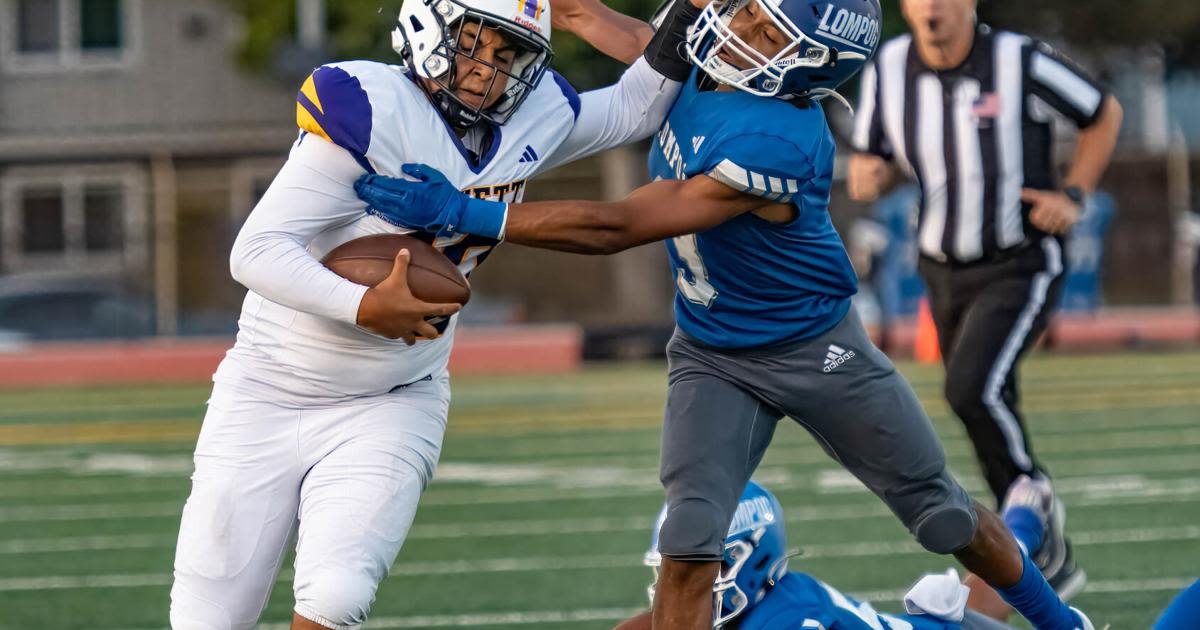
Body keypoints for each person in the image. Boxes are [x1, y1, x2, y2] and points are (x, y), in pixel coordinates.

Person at [352, 0, 1094, 628]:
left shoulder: (779, 136)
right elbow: (637, 44)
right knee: (688, 542)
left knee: (944, 516)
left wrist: (466, 212)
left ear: (808, 62)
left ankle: (1062, 618)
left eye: (767, 31)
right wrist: (561, 9)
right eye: (748, 10)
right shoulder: (715, 65)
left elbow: (622, 226)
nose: (738, 24)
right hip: (712, 352)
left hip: (814, 349)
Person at [167, 0, 706, 626]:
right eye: (477, 44)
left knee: (338, 594)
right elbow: (255, 251)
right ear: (430, 28)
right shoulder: (373, 107)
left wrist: (691, 11)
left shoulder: (534, 117)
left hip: (394, 396)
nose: (489, 70)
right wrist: (364, 305)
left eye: (509, 56)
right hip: (269, 388)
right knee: (209, 614)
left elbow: (636, 105)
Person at [846, 0, 1124, 599]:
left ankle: (1033, 499)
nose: (932, 8)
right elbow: (874, 156)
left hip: (1020, 259)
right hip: (941, 265)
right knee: (985, 397)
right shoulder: (888, 65)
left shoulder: (1015, 58)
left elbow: (1103, 113)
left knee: (970, 389)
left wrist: (1073, 193)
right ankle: (1044, 554)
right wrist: (868, 173)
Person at [618, 480, 1042, 630]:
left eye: (706, 563)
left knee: (964, 610)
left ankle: (1023, 524)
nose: (682, 578)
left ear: (755, 557)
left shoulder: (789, 618)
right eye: (674, 564)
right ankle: (1023, 520)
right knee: (956, 610)